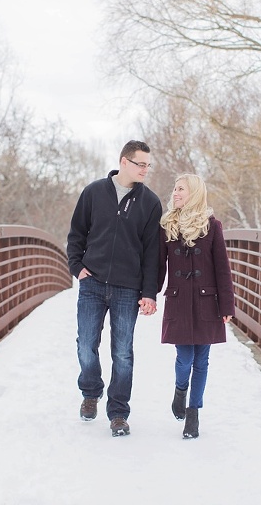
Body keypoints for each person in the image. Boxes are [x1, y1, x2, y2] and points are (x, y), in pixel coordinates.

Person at [67, 140, 162, 437]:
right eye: (140, 164)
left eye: (148, 164)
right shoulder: (94, 192)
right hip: (92, 282)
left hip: (127, 289)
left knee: (122, 353)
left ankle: (119, 412)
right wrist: (76, 266)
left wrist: (149, 293)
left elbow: (153, 254)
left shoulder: (150, 203)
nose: (145, 169)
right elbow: (77, 233)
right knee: (86, 344)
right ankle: (91, 391)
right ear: (124, 161)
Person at [157, 174, 235, 439]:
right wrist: (147, 294)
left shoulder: (212, 226)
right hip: (178, 300)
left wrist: (227, 305)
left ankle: (193, 414)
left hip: (206, 301)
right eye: (175, 188)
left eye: (181, 189)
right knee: (185, 358)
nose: (175, 192)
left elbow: (222, 269)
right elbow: (157, 266)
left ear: (194, 193)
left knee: (202, 361)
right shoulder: (167, 225)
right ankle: (180, 389)